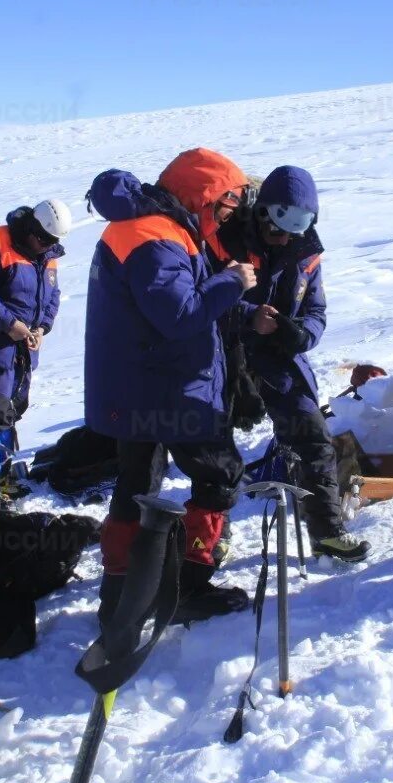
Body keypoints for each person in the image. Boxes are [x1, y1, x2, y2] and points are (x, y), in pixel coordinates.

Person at [84, 148, 258, 625]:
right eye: (224, 205)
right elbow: (179, 315)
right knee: (218, 474)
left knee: (137, 483)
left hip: (137, 384)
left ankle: (119, 596)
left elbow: (174, 300)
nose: (226, 217)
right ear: (202, 195)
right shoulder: (158, 238)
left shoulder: (150, 228)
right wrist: (233, 282)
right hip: (168, 386)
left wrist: (235, 307)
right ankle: (189, 587)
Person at [211, 165, 370, 562]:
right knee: (217, 450)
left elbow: (316, 310)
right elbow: (202, 300)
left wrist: (302, 334)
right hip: (224, 354)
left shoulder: (307, 254)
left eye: (293, 231)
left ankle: (327, 532)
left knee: (314, 439)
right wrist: (248, 316)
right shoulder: (224, 241)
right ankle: (214, 536)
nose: (283, 238)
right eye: (277, 229)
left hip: (280, 359)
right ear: (261, 214)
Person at [0, 199, 71, 497]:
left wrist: (42, 327)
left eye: (52, 242)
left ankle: (0, 471)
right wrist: (9, 323)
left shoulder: (48, 254)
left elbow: (52, 295)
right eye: (43, 239)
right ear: (31, 228)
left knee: (13, 408)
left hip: (26, 346)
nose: (46, 245)